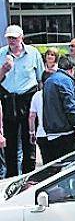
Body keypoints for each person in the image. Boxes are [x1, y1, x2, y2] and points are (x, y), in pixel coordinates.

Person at [0, 25, 44, 177]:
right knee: (10, 140)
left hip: (28, 96)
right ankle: (11, 176)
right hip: (8, 97)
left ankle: (29, 176)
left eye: (14, 37)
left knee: (29, 138)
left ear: (21, 37)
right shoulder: (1, 53)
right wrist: (3, 70)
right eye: (9, 38)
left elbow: (40, 78)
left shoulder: (33, 53)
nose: (11, 40)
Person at [33, 56, 75, 162]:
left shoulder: (49, 81)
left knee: (53, 167)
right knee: (69, 167)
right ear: (72, 69)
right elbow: (70, 105)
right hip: (65, 131)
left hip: (50, 131)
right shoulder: (66, 81)